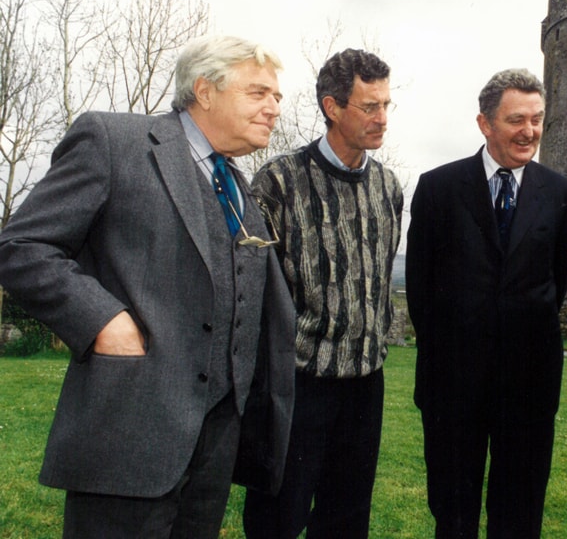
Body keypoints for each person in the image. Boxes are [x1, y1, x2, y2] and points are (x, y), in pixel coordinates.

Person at [0, 35, 297, 537]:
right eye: (258, 93)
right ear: (205, 90)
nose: (273, 109)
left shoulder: (236, 185)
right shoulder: (114, 142)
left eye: (277, 97)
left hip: (214, 443)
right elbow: (22, 247)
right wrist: (102, 319)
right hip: (129, 433)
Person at [406, 69, 567, 538]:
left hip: (528, 386)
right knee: (453, 514)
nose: (530, 132)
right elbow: (421, 287)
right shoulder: (438, 187)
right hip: (453, 385)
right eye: (516, 120)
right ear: (485, 124)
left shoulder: (563, 193)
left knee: (519, 516)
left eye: (538, 120)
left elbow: (556, 279)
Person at [243, 48, 403, 539]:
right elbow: (254, 289)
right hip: (297, 385)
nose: (382, 119)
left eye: (386, 106)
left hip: (365, 385)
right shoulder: (277, 181)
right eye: (369, 107)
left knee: (347, 519)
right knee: (278, 516)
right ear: (332, 108)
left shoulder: (389, 186)